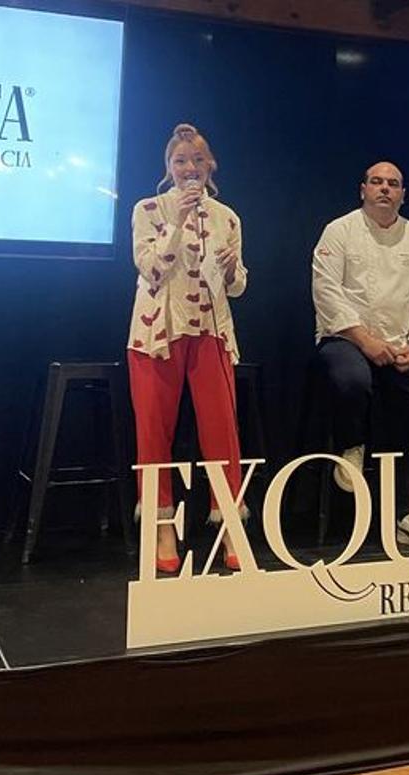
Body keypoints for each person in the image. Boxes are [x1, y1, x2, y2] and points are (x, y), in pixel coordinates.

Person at [126, 123, 248, 572]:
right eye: (180, 161)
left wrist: (234, 268)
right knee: (154, 430)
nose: (189, 169)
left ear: (209, 165)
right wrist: (177, 222)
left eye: (197, 160)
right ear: (168, 167)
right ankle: (161, 527)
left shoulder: (228, 217)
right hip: (157, 331)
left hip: (211, 330)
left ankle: (231, 519)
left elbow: (237, 287)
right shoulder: (149, 210)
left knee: (222, 430)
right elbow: (151, 269)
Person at [311, 161, 409, 552]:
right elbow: (326, 291)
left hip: (402, 343)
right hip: (346, 338)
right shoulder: (339, 231)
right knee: (353, 381)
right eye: (377, 182)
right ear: (363, 189)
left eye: (394, 184)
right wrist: (364, 339)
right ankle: (351, 446)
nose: (385, 189)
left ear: (404, 194)